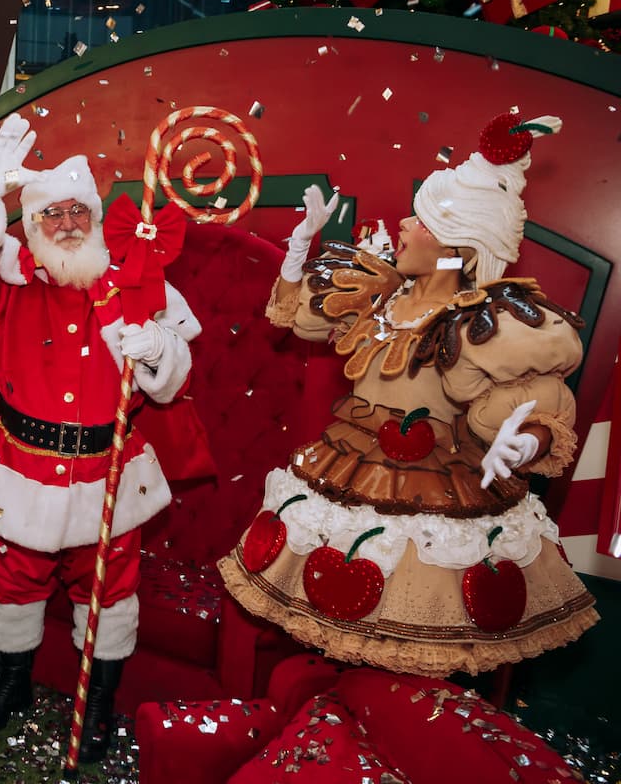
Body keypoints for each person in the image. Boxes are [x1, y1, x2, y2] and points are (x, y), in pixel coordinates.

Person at [218, 112, 599, 677]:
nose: (401, 225)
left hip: (435, 500)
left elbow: (535, 397)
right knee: (340, 623)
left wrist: (525, 437)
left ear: (454, 245)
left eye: (418, 220)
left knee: (412, 642)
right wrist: (299, 250)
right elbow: (299, 321)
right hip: (347, 474)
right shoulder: (380, 295)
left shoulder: (481, 323)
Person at [0, 114, 201, 763]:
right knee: (13, 579)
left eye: (75, 210)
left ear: (94, 215)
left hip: (109, 468)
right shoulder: (3, 293)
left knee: (109, 590)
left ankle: (101, 701)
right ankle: (14, 682)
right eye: (48, 214)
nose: (65, 223)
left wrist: (158, 348)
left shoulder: (137, 280)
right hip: (24, 466)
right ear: (29, 226)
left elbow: (173, 384)